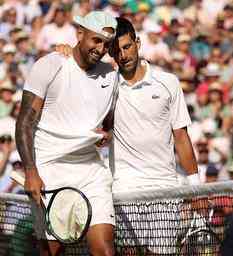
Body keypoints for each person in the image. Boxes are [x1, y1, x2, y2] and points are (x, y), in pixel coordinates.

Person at [56, 17, 200, 255]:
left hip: (164, 189)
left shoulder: (168, 83)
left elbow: (181, 138)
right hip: (124, 188)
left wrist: (196, 190)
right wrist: (65, 53)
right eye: (116, 51)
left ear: (138, 43)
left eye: (127, 47)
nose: (123, 55)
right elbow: (77, 73)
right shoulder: (105, 84)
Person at [15, 11, 118, 256]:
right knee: (51, 253)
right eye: (96, 40)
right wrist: (31, 171)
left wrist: (108, 133)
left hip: (92, 172)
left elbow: (113, 122)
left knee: (105, 251)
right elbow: (25, 123)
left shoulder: (112, 75)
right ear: (80, 34)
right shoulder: (50, 64)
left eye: (106, 44)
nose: (101, 48)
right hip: (50, 171)